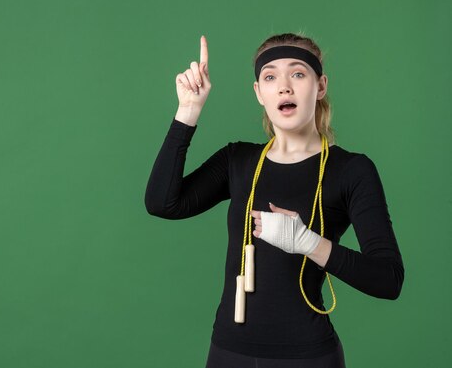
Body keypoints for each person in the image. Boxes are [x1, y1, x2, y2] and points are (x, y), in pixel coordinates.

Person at [144, 33, 404, 368]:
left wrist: (306, 241)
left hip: (309, 357)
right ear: (259, 93)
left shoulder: (351, 170)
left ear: (320, 86)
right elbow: (162, 203)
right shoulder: (237, 160)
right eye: (270, 76)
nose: (284, 86)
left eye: (297, 73)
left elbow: (388, 280)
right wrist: (188, 111)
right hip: (228, 352)